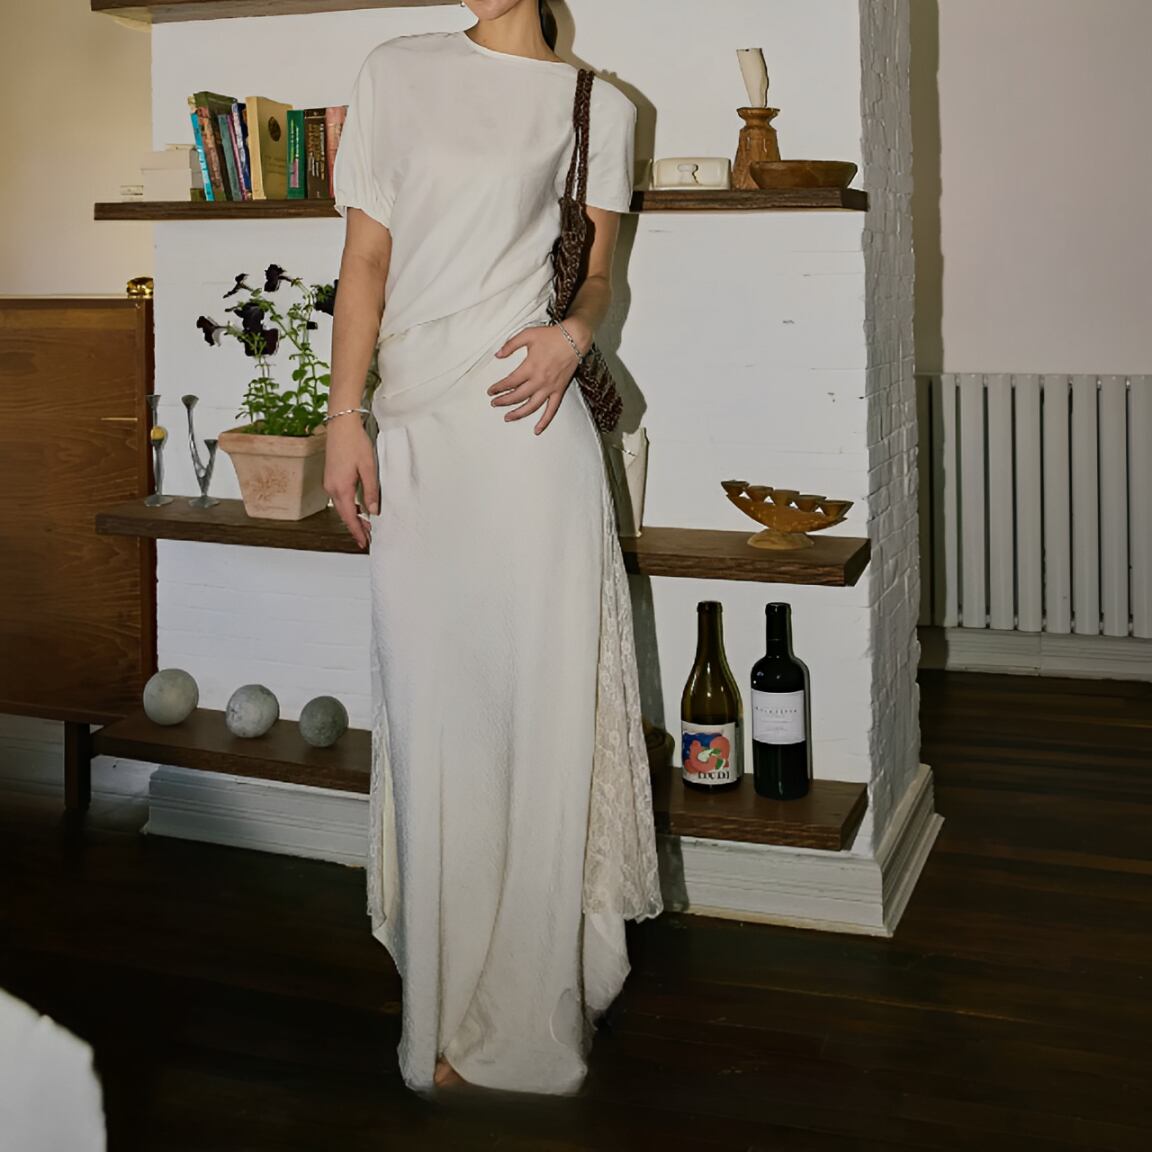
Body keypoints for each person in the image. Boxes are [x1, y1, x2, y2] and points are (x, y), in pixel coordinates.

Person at [325, 0, 662, 1097]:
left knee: (541, 716)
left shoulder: (598, 106)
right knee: (434, 717)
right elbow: (365, 259)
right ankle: (437, 994)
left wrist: (572, 336)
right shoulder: (394, 71)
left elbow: (597, 273)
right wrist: (343, 418)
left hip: (529, 434)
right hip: (418, 435)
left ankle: (526, 1007)